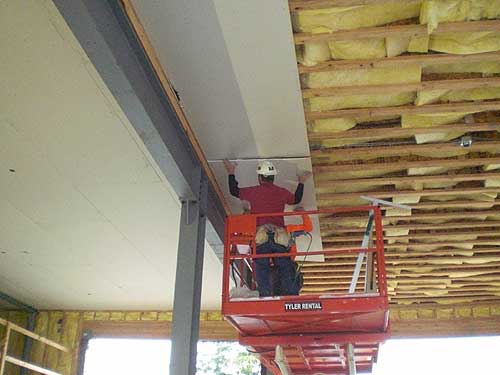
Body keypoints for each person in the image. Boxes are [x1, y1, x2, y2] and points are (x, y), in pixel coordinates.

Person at [223, 159, 312, 297]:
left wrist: (231, 172)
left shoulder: (254, 191)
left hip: (262, 235)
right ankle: (292, 295)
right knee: (284, 265)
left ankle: (264, 295)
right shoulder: (281, 192)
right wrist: (301, 181)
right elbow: (296, 199)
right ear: (273, 177)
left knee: (262, 265)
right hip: (279, 235)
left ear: (260, 177)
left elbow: (234, 191)